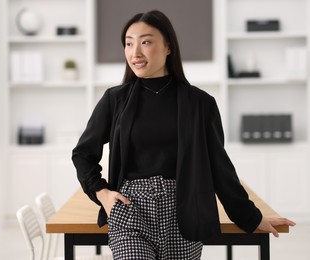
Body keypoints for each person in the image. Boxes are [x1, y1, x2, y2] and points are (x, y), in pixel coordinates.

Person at [72, 10, 295, 260]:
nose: (135, 53)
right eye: (128, 43)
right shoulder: (115, 100)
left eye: (145, 42)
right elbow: (83, 154)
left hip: (184, 212)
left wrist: (251, 218)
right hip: (129, 211)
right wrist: (102, 193)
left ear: (168, 47)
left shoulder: (201, 104)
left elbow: (220, 168)